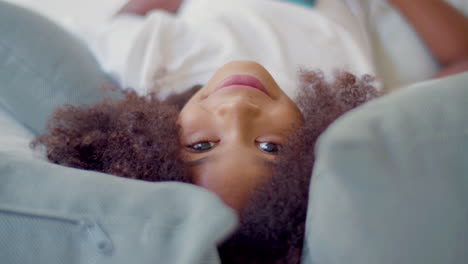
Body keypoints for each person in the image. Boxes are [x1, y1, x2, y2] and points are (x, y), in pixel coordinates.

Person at [33, 0, 468, 263]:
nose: (237, 111)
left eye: (203, 145)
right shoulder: (352, 104)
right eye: (269, 147)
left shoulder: (153, 67)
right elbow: (459, 61)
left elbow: (128, 18)